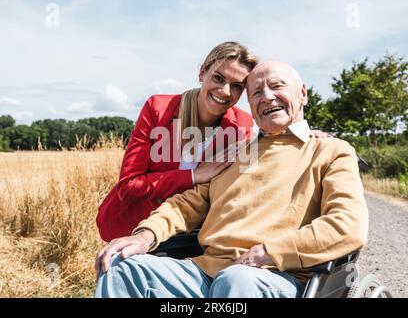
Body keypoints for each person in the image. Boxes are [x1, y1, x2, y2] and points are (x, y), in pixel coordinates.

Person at [94, 60, 368, 298]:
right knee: (120, 266)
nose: (267, 97)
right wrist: (146, 235)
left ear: (303, 93)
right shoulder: (236, 153)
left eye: (277, 86)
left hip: (276, 275)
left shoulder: (330, 150)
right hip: (205, 272)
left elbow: (347, 225)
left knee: (236, 280)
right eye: (257, 92)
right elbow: (187, 204)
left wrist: (269, 252)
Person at [96, 42, 258, 242]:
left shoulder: (241, 124)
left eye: (236, 86)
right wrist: (193, 176)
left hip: (192, 236)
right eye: (218, 78)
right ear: (202, 73)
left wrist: (303, 134)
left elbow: (247, 179)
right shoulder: (158, 109)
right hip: (135, 228)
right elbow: (129, 186)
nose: (225, 91)